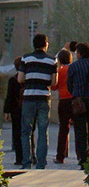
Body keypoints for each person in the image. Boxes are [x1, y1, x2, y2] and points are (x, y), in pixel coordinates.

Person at [17, 34, 57, 169]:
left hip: (28, 97)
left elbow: (20, 79)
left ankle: (26, 162)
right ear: (45, 44)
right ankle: (41, 164)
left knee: (26, 131)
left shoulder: (26, 58)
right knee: (42, 131)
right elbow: (54, 82)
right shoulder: (52, 60)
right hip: (44, 98)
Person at [3, 57, 32, 166]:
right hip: (28, 108)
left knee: (17, 134)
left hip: (16, 110)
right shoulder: (29, 80)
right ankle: (31, 155)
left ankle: (19, 158)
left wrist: (7, 111)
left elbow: (9, 97)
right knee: (29, 133)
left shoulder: (13, 80)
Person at [52, 48, 73, 164]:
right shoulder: (73, 69)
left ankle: (60, 156)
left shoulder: (60, 70)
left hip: (64, 101)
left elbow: (54, 86)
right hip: (75, 100)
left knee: (63, 129)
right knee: (80, 129)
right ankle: (81, 155)